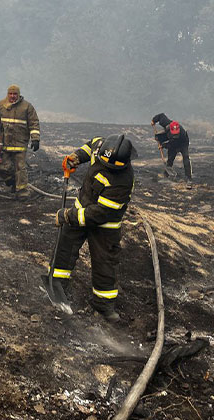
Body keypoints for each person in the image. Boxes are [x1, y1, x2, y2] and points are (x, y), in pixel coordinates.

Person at [46, 135, 136, 323]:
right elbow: (88, 148)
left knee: (104, 262)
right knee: (65, 247)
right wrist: (76, 157)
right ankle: (56, 284)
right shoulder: (100, 145)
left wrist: (67, 216)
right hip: (82, 206)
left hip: (105, 225)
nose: (106, 167)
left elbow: (101, 213)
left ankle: (103, 305)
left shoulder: (124, 180)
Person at [0, 84, 40, 199]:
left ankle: (22, 192)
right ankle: (12, 182)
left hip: (20, 143)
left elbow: (34, 123)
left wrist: (35, 139)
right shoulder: (1, 105)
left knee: (20, 168)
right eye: (10, 94)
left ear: (19, 94)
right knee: (1, 166)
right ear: (7, 94)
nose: (12, 96)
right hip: (4, 143)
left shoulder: (27, 107)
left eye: (15, 94)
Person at [151, 113, 192, 185]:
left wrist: (163, 145)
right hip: (171, 140)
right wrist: (154, 120)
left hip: (183, 143)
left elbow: (172, 144)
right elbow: (161, 115)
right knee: (170, 159)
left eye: (176, 134)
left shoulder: (182, 134)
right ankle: (166, 175)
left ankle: (189, 178)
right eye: (174, 134)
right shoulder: (166, 123)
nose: (175, 135)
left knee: (186, 158)